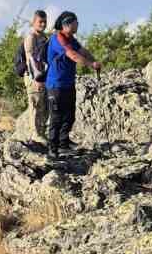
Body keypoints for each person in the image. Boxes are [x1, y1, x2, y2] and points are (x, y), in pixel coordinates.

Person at [44, 12, 100, 159]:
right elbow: (73, 55)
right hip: (55, 85)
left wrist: (95, 61)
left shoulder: (71, 39)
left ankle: (64, 144)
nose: (78, 25)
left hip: (68, 83)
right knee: (56, 117)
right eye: (76, 22)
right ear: (67, 24)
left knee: (69, 115)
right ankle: (52, 149)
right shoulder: (57, 39)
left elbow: (82, 51)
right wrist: (90, 64)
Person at [22, 9, 49, 145]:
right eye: (40, 22)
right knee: (36, 105)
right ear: (34, 22)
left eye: (44, 22)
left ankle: (42, 134)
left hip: (42, 76)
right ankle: (36, 134)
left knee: (44, 106)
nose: (43, 24)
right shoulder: (31, 37)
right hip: (33, 77)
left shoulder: (44, 37)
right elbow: (30, 59)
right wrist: (37, 79)